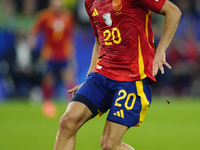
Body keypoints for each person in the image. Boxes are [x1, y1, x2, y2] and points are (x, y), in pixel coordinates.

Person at [54, 0, 181, 149]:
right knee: (67, 121)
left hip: (132, 78)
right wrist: (88, 78)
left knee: (109, 145)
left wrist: (160, 51)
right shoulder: (90, 2)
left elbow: (173, 12)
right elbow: (99, 43)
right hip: (101, 74)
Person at [29, 0, 76, 118]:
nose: (57, 3)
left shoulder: (68, 16)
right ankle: (48, 104)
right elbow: (35, 29)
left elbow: (70, 36)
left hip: (64, 53)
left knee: (68, 77)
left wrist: (72, 53)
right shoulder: (45, 16)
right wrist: (33, 39)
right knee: (48, 78)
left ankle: (71, 104)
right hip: (49, 53)